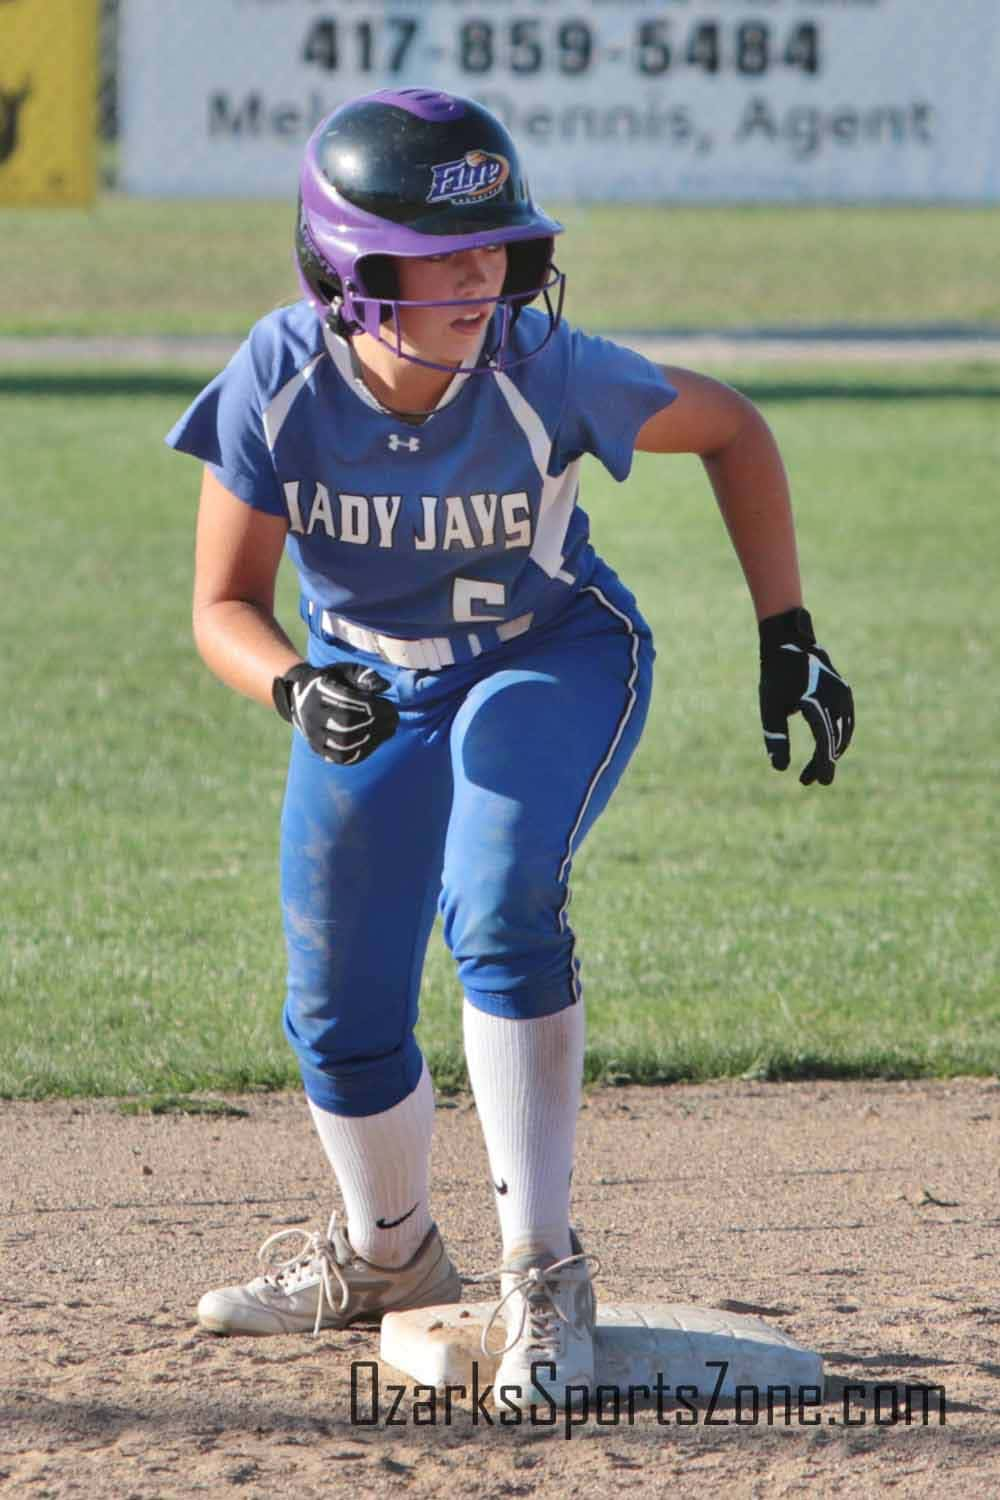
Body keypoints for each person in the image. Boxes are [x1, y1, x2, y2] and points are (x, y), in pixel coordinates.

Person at [166, 87, 854, 1412]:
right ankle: (387, 1258)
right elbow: (222, 606)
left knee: (496, 900)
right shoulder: (278, 378)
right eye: (441, 250)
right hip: (366, 685)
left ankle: (546, 1276)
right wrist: (297, 687)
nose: (482, 274)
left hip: (547, 656)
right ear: (346, 271)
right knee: (339, 1008)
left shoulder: (546, 369)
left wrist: (789, 635)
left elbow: (732, 427)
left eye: (496, 243)